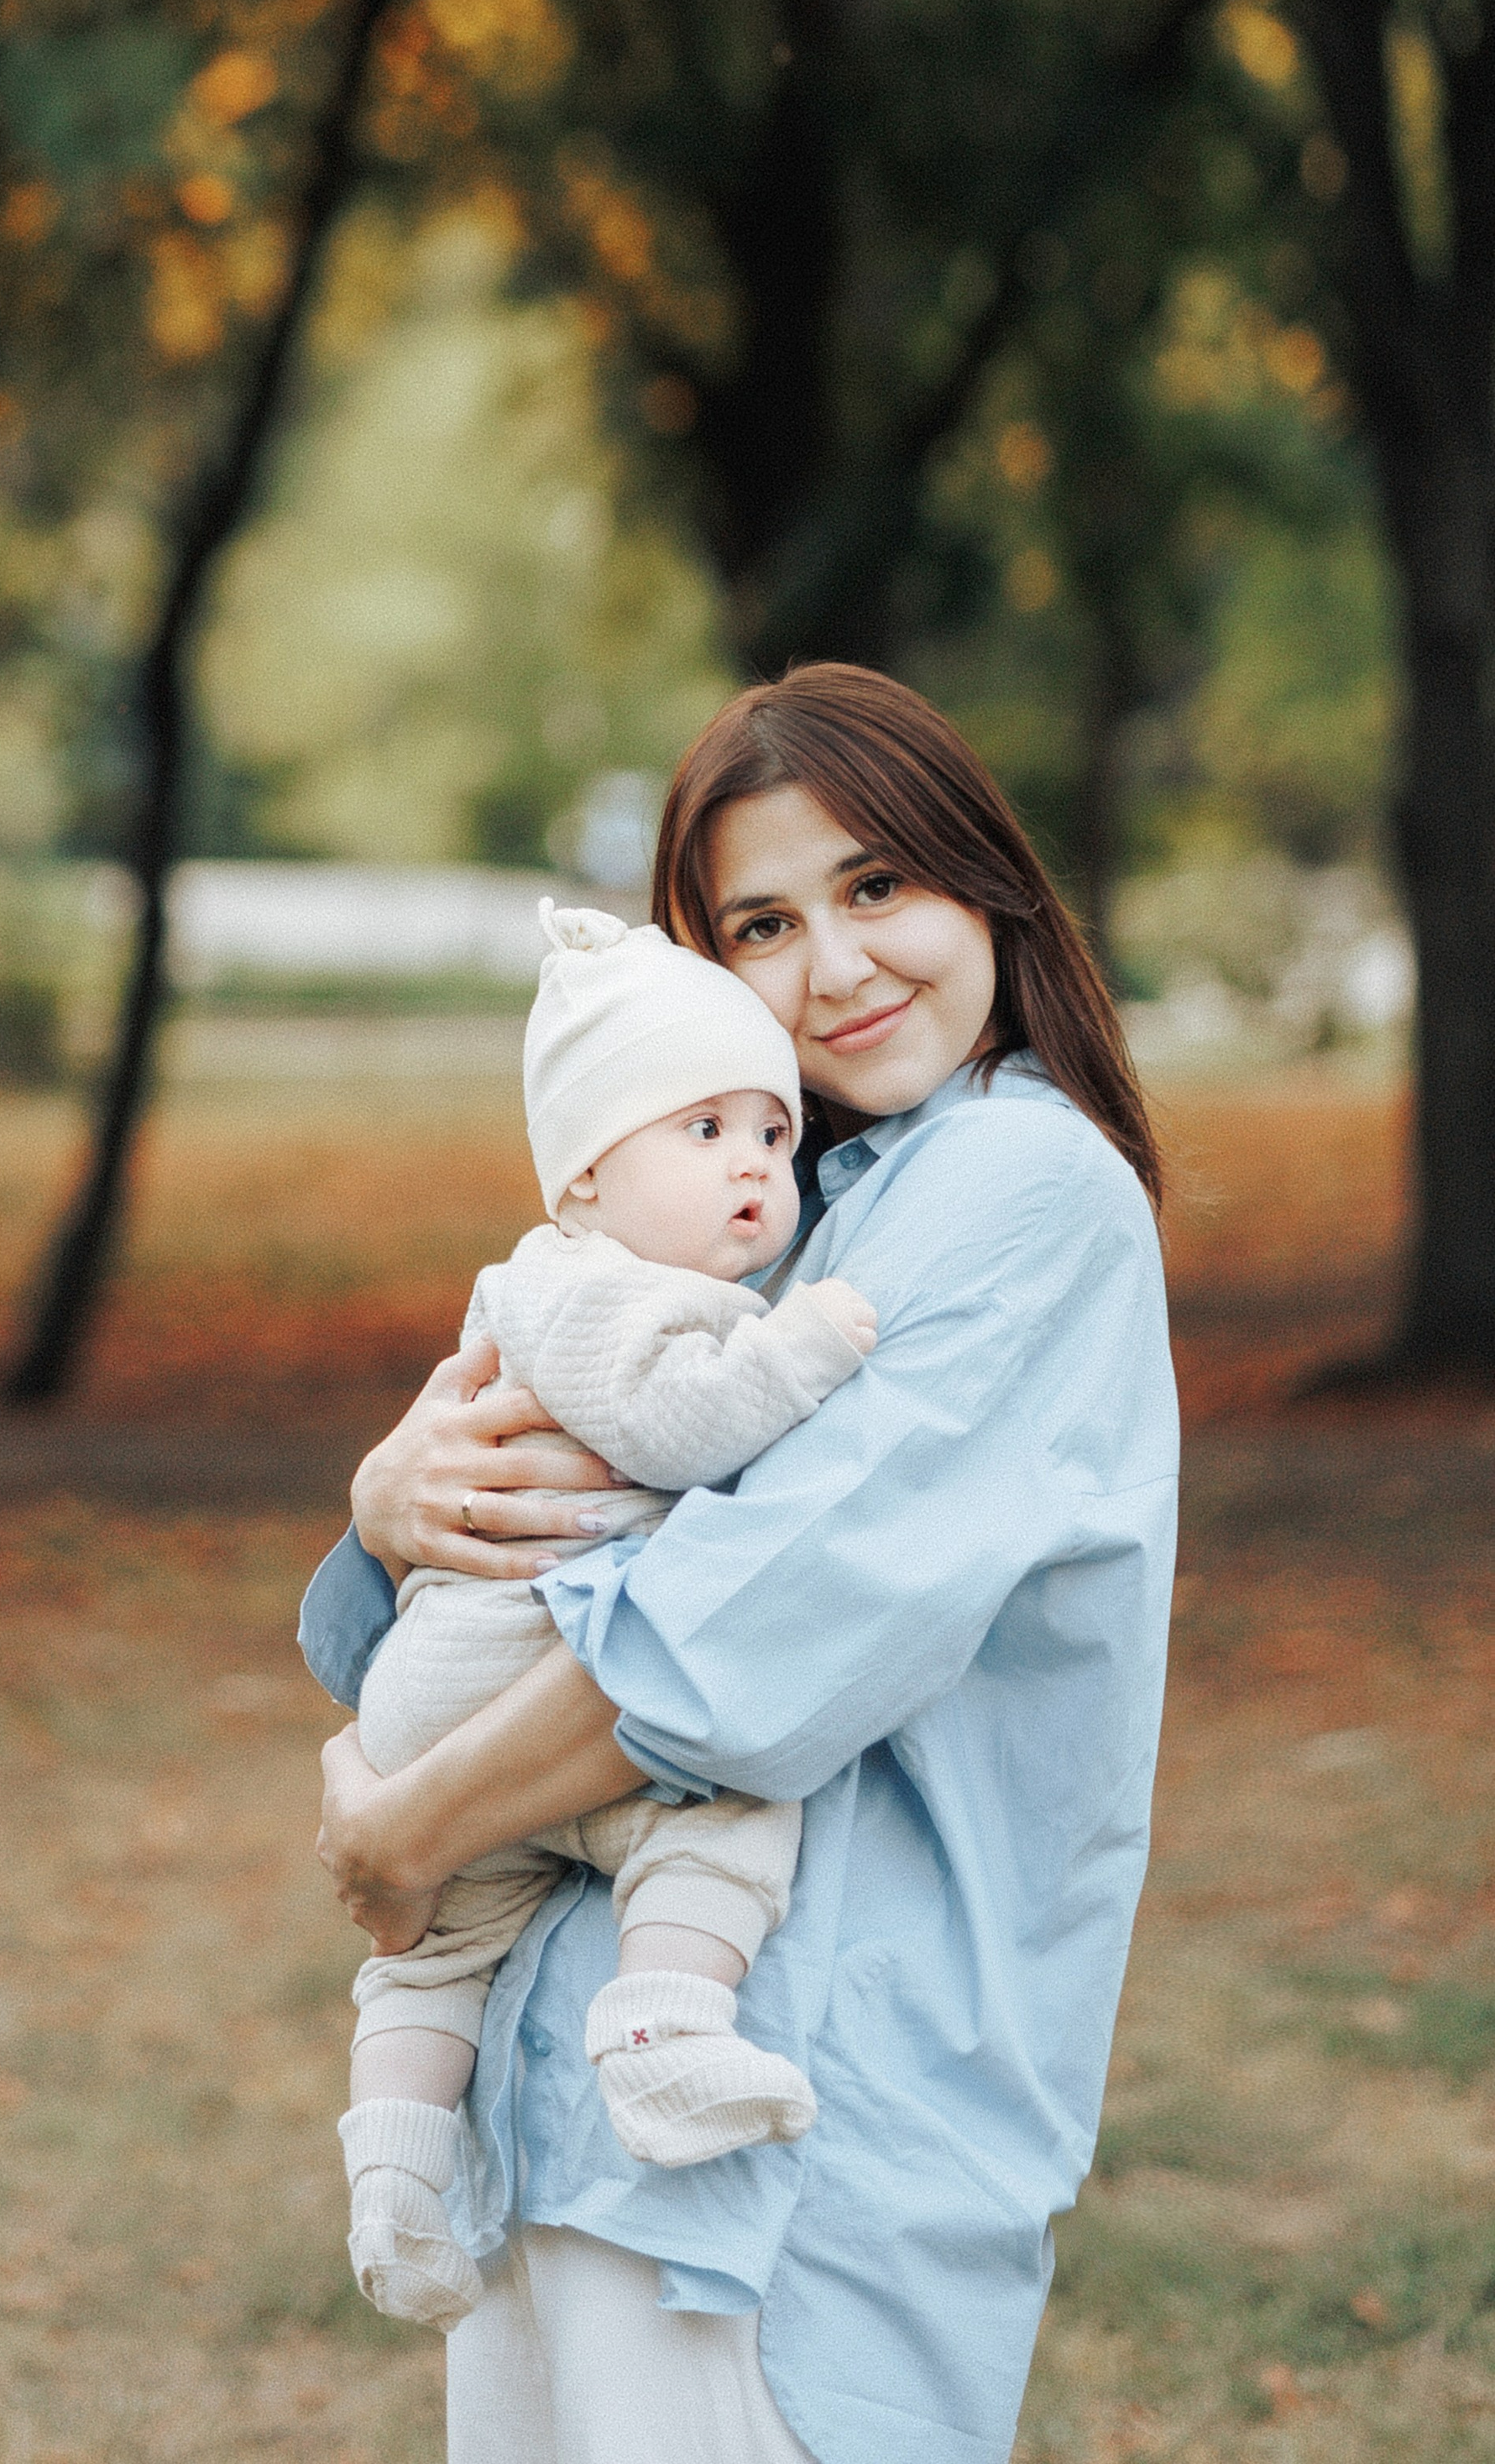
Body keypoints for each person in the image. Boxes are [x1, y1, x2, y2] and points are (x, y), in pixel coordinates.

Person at [301, 666, 1176, 2464]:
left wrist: (405, 1833)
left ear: (985, 883)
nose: (837, 968)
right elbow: (491, 1568)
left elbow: (734, 1642)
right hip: (566, 2096)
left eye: (877, 889)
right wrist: (389, 1501)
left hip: (800, 2126)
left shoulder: (1024, 1195)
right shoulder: (764, 1208)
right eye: (762, 926)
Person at [342, 897, 876, 2330]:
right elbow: (680, 1428)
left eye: (772, 1136)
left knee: (438, 1952)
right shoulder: (583, 1292)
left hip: (472, 1711)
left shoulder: (618, 1279)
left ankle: (394, 2178)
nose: (756, 1171)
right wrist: (808, 1350)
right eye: (703, 1135)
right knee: (729, 1817)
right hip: (506, 1677)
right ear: (580, 1177)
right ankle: (663, 2026)